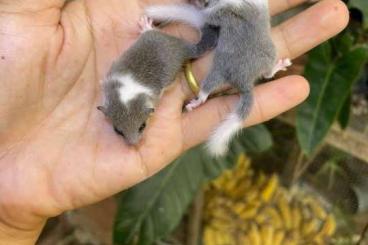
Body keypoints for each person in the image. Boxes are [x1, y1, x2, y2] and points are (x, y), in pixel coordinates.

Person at [0, 0, 348, 244]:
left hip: (173, 50)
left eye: (136, 128)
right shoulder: (121, 97)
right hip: (169, 51)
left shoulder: (134, 89)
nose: (135, 140)